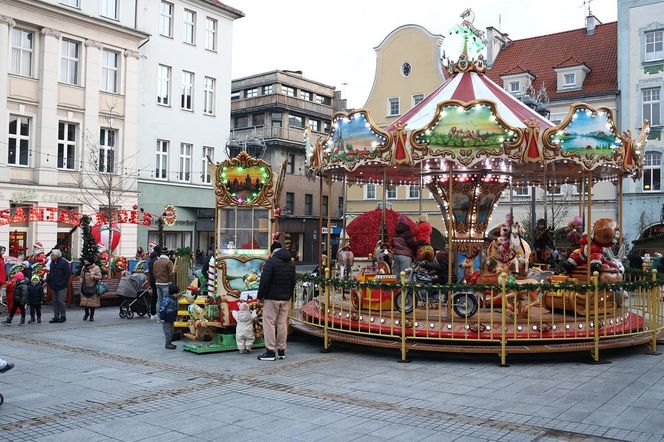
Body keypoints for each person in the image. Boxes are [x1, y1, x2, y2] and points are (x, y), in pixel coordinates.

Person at [256, 242, 296, 361]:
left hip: (271, 298)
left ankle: (270, 351)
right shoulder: (290, 263)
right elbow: (293, 281)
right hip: (285, 299)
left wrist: (260, 296)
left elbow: (265, 281)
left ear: (272, 251)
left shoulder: (271, 262)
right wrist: (288, 295)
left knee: (269, 323)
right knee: (282, 324)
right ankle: (282, 351)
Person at [47, 249, 71, 323]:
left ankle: (63, 316)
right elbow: (51, 273)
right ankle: (56, 316)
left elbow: (67, 274)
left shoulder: (64, 263)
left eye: (52, 255)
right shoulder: (52, 263)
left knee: (61, 301)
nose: (51, 256)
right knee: (55, 301)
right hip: (54, 285)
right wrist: (49, 281)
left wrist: (63, 282)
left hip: (62, 286)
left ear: (57, 255)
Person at [79, 256, 102, 322]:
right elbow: (81, 276)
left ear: (90, 261)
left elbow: (100, 276)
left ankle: (91, 316)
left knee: (92, 303)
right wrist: (80, 281)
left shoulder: (96, 268)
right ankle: (86, 314)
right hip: (84, 287)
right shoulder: (84, 267)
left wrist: (94, 277)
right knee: (85, 302)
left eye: (86, 260)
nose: (85, 261)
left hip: (93, 287)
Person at [152, 248, 174, 317]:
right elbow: (171, 273)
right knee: (166, 300)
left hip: (157, 283)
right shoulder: (169, 262)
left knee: (159, 299)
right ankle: (165, 315)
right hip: (166, 283)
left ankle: (159, 315)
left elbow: (154, 273)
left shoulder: (156, 262)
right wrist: (171, 281)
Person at [158, 283, 180, 350]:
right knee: (168, 331)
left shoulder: (174, 299)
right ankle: (168, 343)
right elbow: (162, 309)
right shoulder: (167, 300)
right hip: (166, 318)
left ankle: (169, 342)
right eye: (176, 293)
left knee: (171, 330)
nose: (177, 295)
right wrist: (162, 318)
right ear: (172, 293)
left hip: (172, 317)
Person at [148, 245, 162, 318]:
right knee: (158, 296)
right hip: (157, 280)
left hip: (152, 280)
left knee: (154, 296)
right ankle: (157, 312)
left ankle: (152, 312)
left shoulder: (151, 259)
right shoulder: (157, 259)